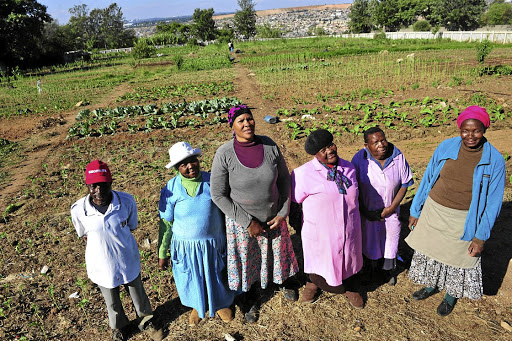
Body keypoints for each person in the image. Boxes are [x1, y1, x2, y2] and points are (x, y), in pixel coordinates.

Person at [406, 106, 505, 316]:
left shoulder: (494, 160)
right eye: (465, 131)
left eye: (476, 131)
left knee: (458, 259)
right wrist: (416, 209)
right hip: (435, 210)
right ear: (460, 130)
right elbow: (428, 179)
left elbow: (493, 203)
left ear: (484, 130)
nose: (470, 136)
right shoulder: (446, 147)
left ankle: (450, 295)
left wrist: (480, 237)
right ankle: (431, 285)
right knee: (432, 251)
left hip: (464, 217)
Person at [210, 105, 299, 323]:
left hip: (273, 216)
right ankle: (249, 298)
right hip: (242, 222)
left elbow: (285, 180)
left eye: (249, 119)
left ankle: (283, 281)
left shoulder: (269, 145)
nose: (247, 124)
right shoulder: (224, 153)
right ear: (232, 126)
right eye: (240, 121)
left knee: (280, 254)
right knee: (247, 261)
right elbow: (218, 194)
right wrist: (247, 222)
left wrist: (283, 212)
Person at [70, 160, 163, 341]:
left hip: (126, 257)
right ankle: (120, 327)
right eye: (94, 186)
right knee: (111, 300)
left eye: (103, 185)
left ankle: (146, 321)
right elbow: (83, 234)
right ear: (87, 186)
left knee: (138, 294)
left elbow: (132, 225)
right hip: (101, 262)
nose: (99, 191)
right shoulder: (78, 210)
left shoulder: (126, 201)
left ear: (111, 183)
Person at [158, 141, 236, 326]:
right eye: (184, 164)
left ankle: (221, 303)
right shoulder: (171, 189)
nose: (190, 166)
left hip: (213, 243)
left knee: (217, 273)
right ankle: (197, 305)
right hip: (186, 246)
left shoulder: (213, 181)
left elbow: (228, 212)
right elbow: (166, 223)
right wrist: (162, 252)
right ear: (177, 168)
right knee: (192, 276)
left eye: (193, 161)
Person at [290, 129, 364, 308]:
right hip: (320, 232)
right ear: (315, 155)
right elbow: (293, 205)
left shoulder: (350, 168)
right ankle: (313, 283)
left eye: (330, 145)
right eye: (323, 149)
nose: (329, 150)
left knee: (349, 257)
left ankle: (350, 286)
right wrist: (300, 228)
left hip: (349, 227)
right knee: (319, 259)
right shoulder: (303, 174)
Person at [351, 127, 413, 285]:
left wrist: (392, 208)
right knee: (369, 239)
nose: (381, 145)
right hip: (367, 210)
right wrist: (364, 211)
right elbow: (353, 186)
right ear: (367, 145)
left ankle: (387, 270)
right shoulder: (359, 159)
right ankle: (369, 268)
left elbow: (405, 184)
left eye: (383, 140)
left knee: (390, 240)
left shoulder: (397, 156)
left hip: (390, 210)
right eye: (375, 142)